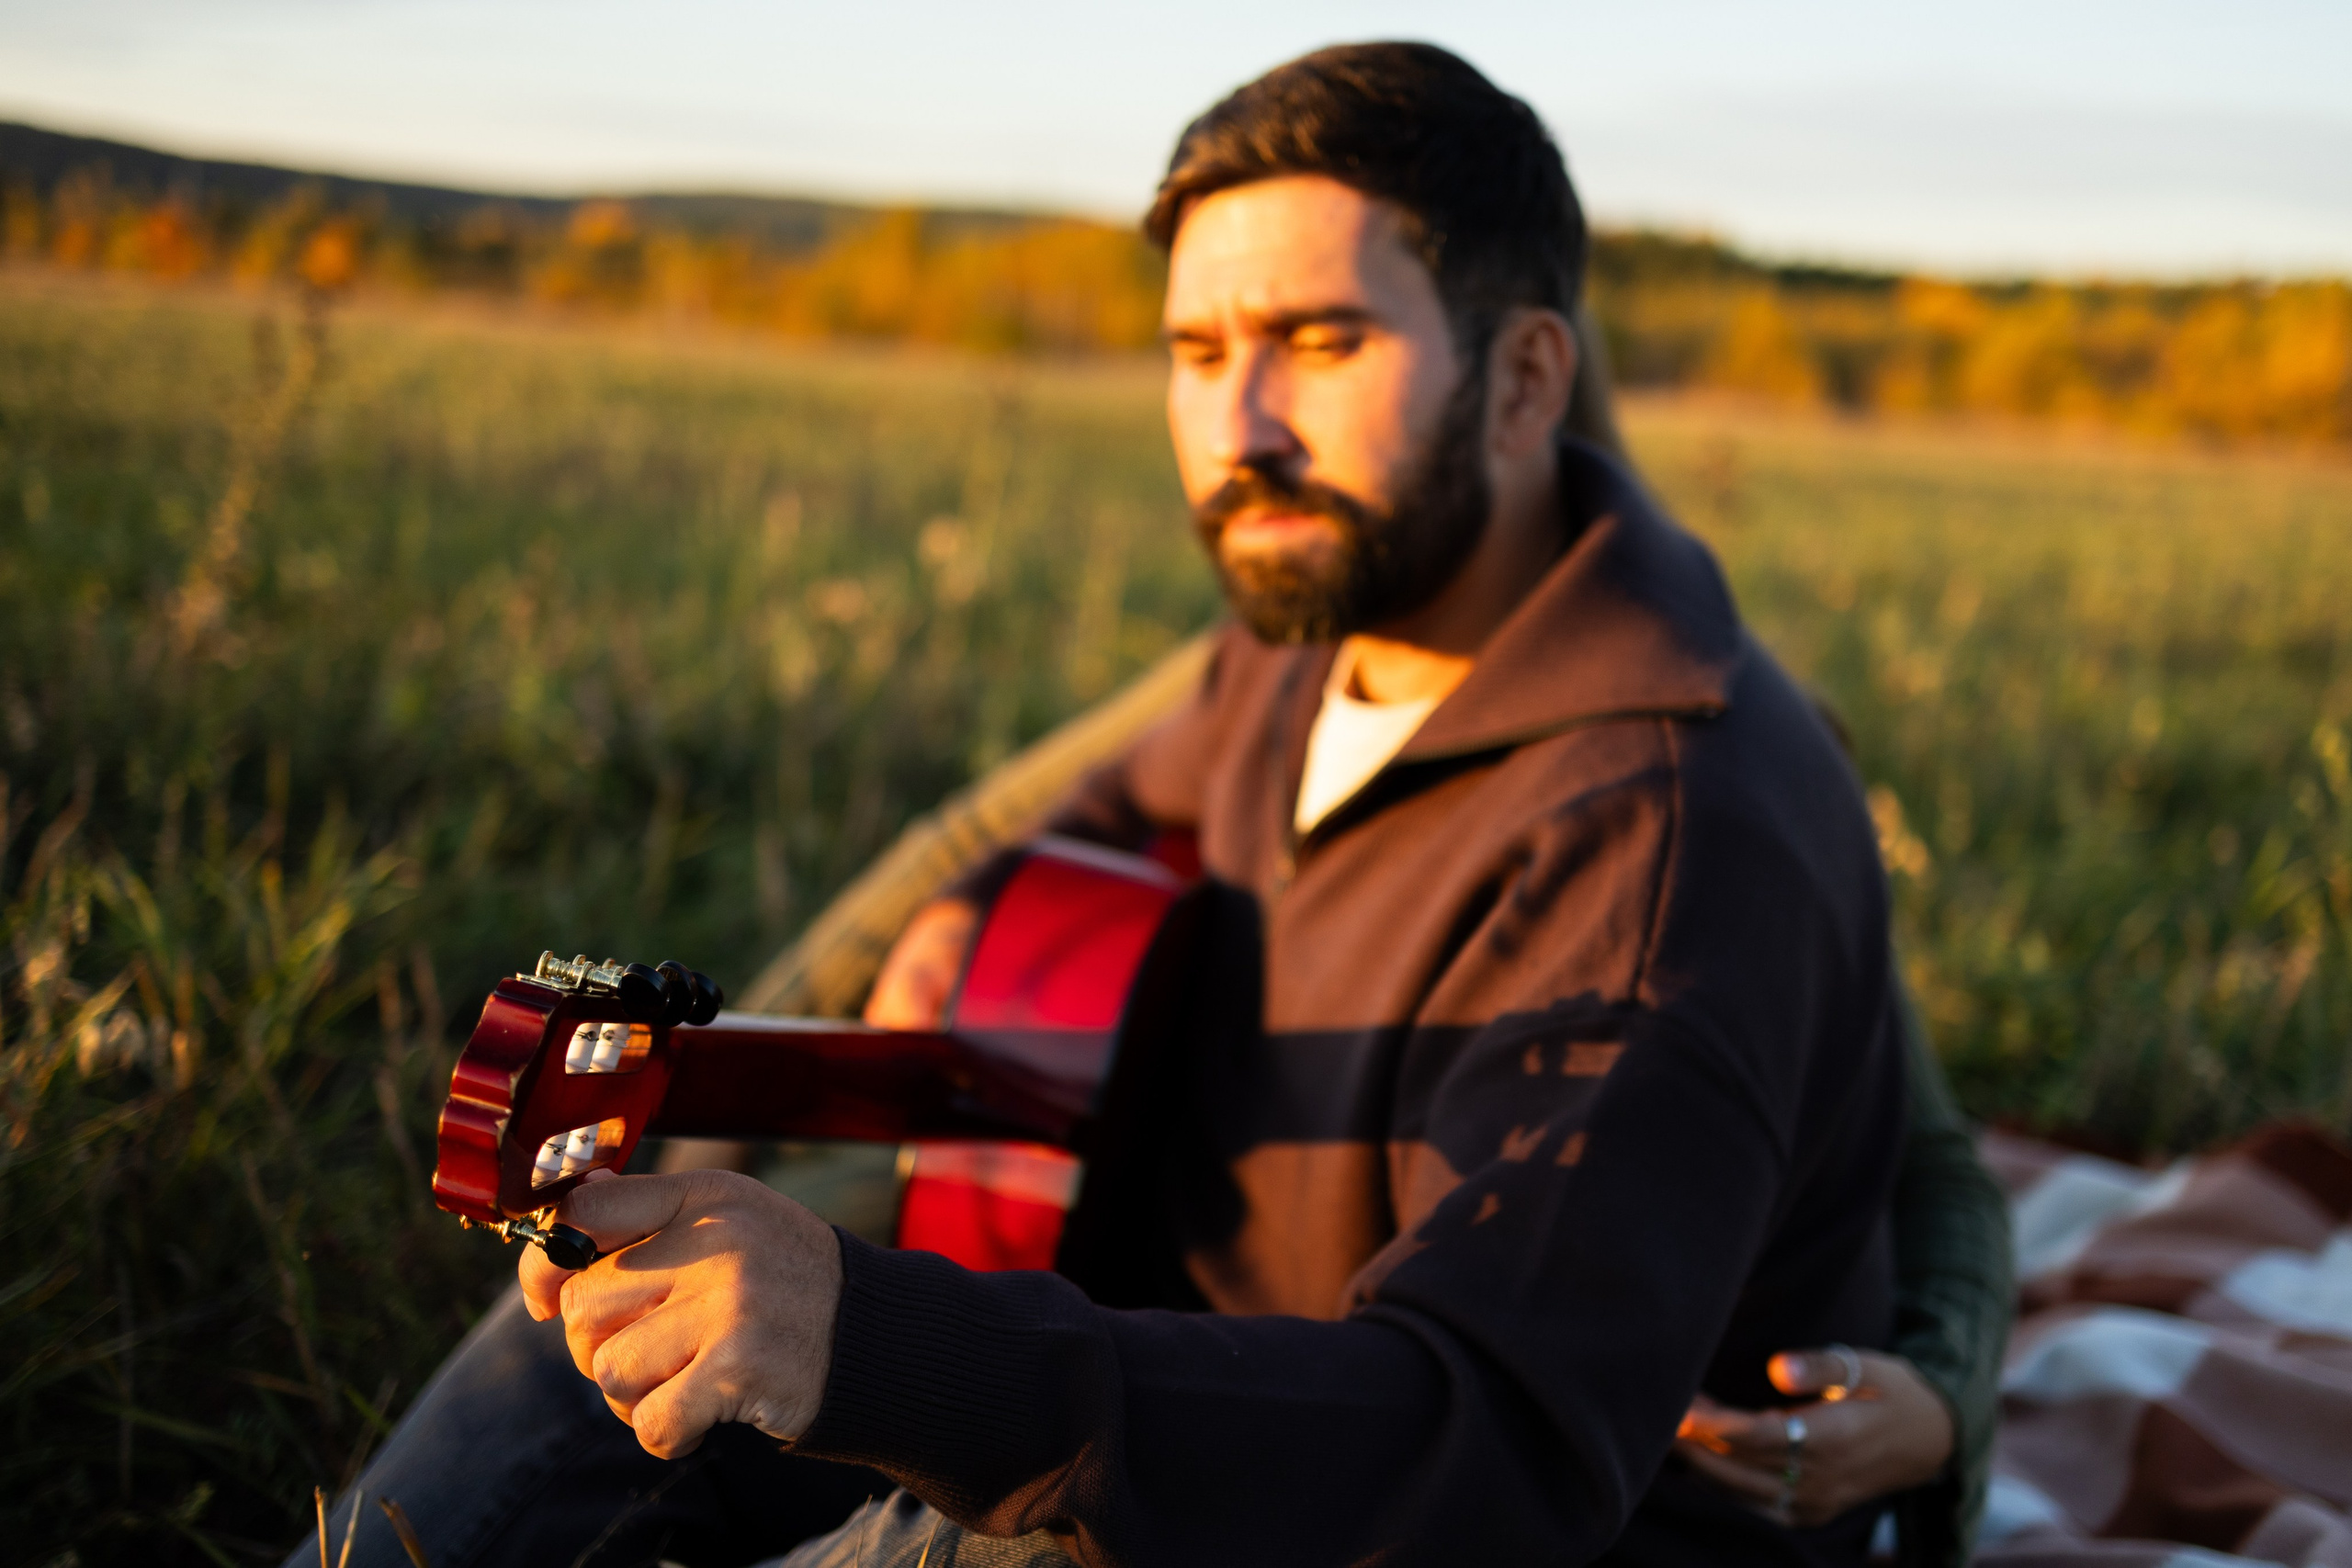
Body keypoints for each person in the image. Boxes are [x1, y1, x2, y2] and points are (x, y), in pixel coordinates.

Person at [300, 43, 2007, 1568]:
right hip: (1210, 1386)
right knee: (600, 1352)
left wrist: (873, 1338)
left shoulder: (1669, 838)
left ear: (1527, 379)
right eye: (1197, 350)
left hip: (1460, 1512)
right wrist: (762, 1082)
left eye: (1319, 341)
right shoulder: (1303, 642)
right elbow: (1004, 842)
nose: (1238, 426)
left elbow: (1486, 1449)